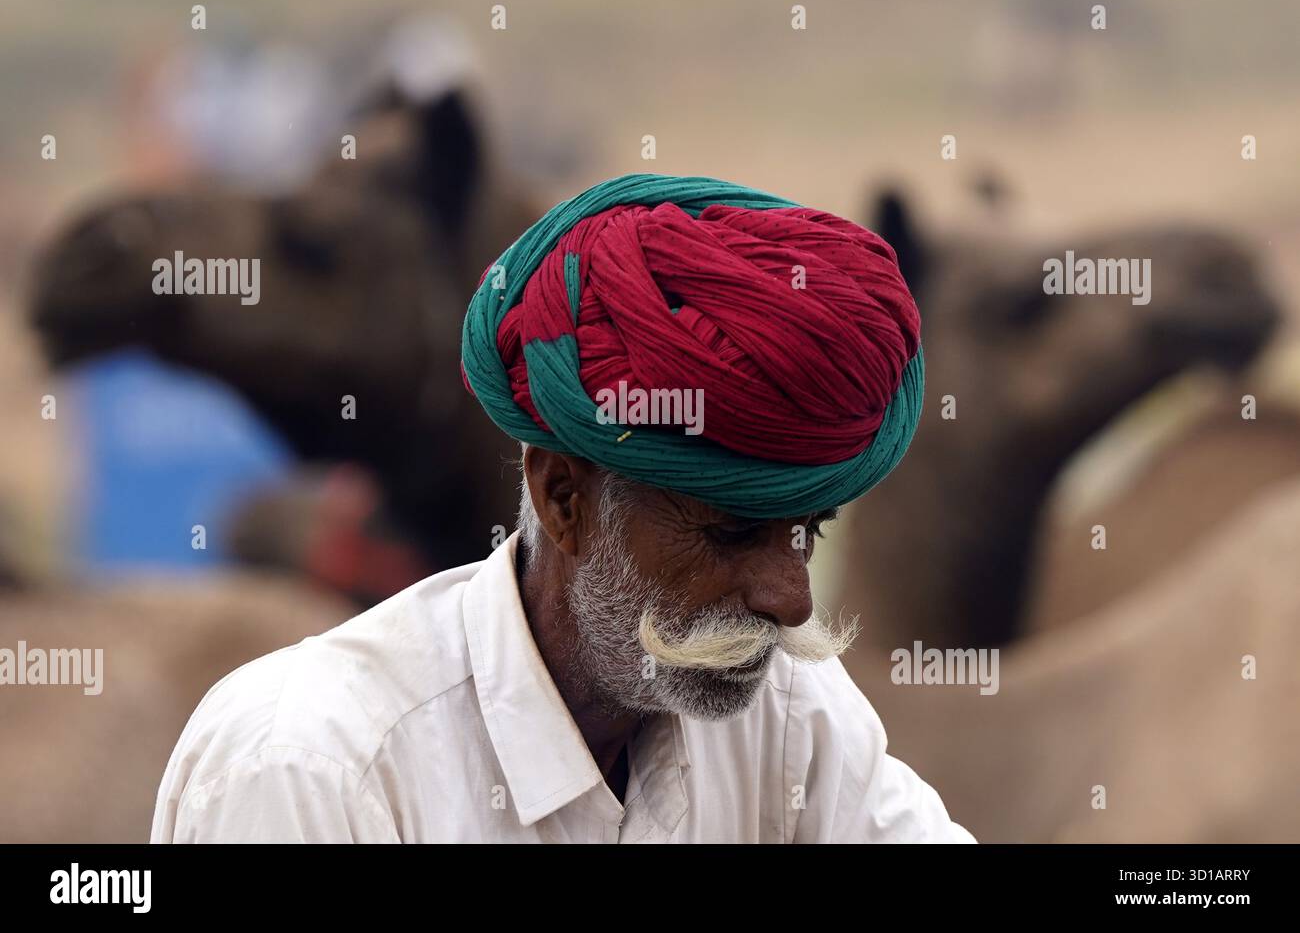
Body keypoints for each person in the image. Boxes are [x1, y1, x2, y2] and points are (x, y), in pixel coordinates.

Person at [152, 174, 975, 842]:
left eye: (809, 534)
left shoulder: (790, 720)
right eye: (732, 533)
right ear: (562, 497)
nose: (790, 599)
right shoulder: (310, 766)